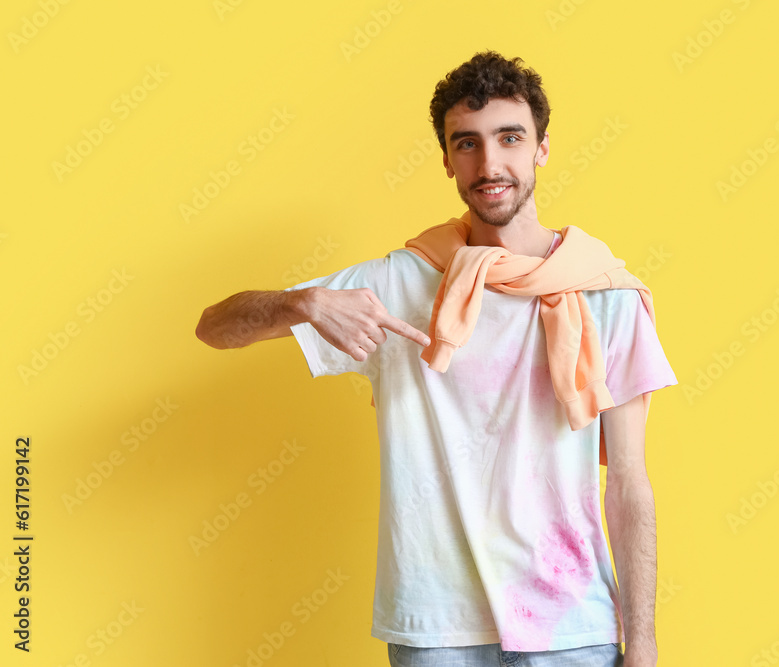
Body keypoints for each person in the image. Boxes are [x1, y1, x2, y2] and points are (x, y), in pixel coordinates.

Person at [196, 50, 676, 667]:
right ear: (447, 159)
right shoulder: (400, 283)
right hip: (435, 632)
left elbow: (629, 484)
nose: (490, 162)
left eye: (510, 138)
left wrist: (645, 643)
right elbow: (215, 328)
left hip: (572, 628)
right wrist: (304, 303)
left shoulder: (607, 295)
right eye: (467, 143)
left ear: (542, 148)